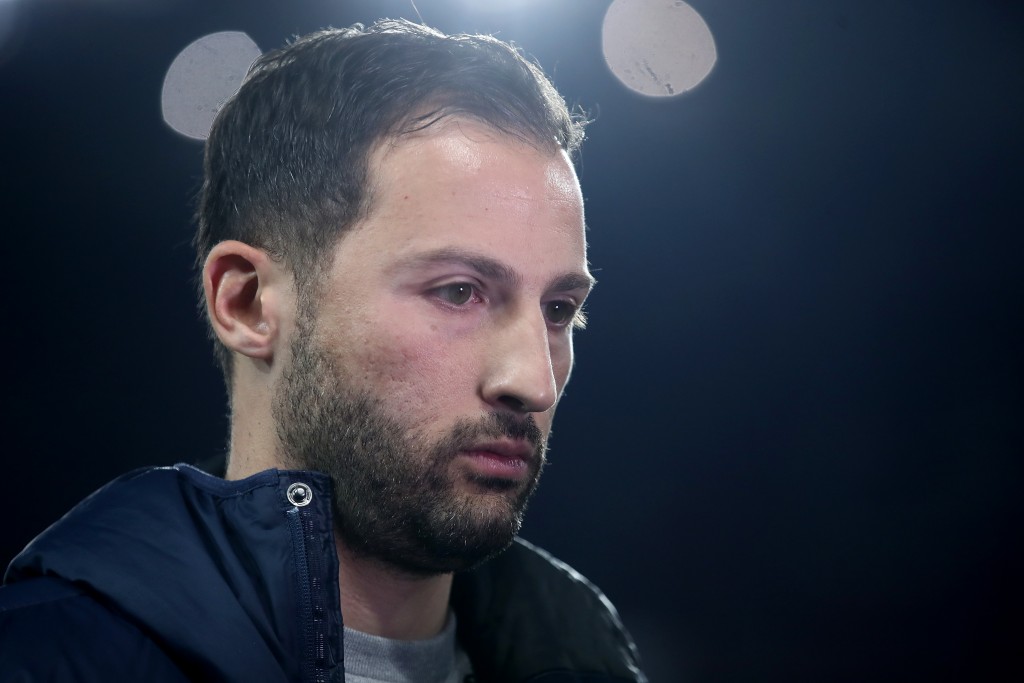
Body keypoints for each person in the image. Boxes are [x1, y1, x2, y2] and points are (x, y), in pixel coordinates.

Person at [0, 18, 645, 683]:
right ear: (247, 303)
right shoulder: (47, 659)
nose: (534, 381)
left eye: (560, 309)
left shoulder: (588, 656)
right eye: (458, 292)